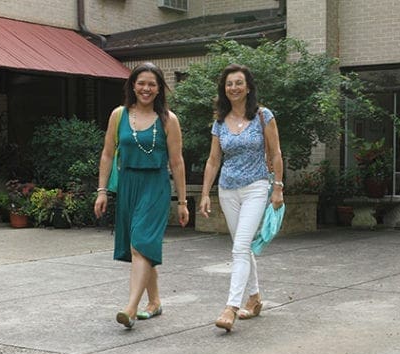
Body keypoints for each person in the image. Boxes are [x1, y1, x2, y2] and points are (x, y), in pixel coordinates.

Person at [94, 62, 189, 329]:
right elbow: (107, 154)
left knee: (140, 243)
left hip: (155, 185)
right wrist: (102, 191)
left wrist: (182, 202)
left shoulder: (168, 120)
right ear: (133, 86)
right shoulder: (119, 115)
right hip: (128, 185)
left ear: (159, 89)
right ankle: (155, 301)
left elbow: (177, 162)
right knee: (141, 247)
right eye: (141, 83)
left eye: (152, 84)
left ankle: (131, 307)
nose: (146, 89)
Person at [199, 64, 284, 332]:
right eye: (229, 84)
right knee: (242, 247)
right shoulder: (219, 122)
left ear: (248, 87)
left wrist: (278, 187)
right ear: (224, 89)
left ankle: (231, 307)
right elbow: (213, 160)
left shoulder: (263, 115)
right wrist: (204, 193)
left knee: (239, 248)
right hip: (227, 190)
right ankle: (255, 297)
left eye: (238, 83)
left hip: (256, 187)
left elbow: (276, 153)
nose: (233, 88)